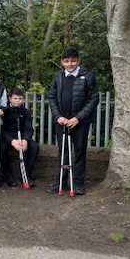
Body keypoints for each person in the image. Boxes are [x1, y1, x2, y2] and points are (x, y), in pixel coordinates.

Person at [47, 49, 99, 195]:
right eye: (66, 61)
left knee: (80, 151)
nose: (70, 64)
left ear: (78, 61)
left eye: (73, 61)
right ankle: (61, 182)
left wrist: (78, 118)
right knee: (62, 152)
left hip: (80, 122)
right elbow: (52, 98)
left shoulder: (87, 76)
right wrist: (58, 117)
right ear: (62, 62)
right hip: (62, 121)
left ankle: (78, 184)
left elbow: (94, 99)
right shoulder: (58, 77)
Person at [1, 89, 39, 187]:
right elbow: (2, 130)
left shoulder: (26, 112)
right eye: (15, 98)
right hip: (8, 138)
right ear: (10, 99)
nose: (17, 101)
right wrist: (12, 141)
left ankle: (26, 174)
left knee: (34, 147)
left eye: (20, 99)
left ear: (23, 99)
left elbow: (29, 129)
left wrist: (25, 140)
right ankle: (8, 175)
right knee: (2, 148)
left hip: (22, 137)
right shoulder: (4, 112)